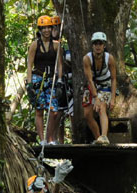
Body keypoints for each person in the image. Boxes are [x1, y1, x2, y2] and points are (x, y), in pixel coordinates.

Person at [26, 16, 63, 145]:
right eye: (44, 28)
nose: (47, 30)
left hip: (51, 79)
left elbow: (59, 65)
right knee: (39, 110)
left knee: (54, 111)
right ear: (40, 29)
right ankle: (42, 140)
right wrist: (29, 84)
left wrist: (59, 80)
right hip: (38, 79)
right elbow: (30, 65)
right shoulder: (35, 44)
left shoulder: (57, 45)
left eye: (48, 27)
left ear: (52, 28)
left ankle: (51, 138)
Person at [82, 32, 117, 145]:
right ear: (92, 45)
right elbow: (90, 80)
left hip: (105, 85)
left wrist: (112, 99)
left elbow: (113, 78)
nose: (98, 46)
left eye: (100, 44)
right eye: (95, 43)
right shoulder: (87, 59)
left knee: (102, 107)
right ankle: (98, 139)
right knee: (87, 114)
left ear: (104, 45)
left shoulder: (109, 58)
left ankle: (104, 136)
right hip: (92, 85)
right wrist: (95, 97)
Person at [52, 15, 73, 143]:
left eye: (58, 27)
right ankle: (56, 140)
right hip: (57, 80)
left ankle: (66, 139)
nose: (56, 30)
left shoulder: (67, 46)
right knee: (57, 112)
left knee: (69, 112)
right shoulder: (52, 45)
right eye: (54, 27)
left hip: (69, 81)